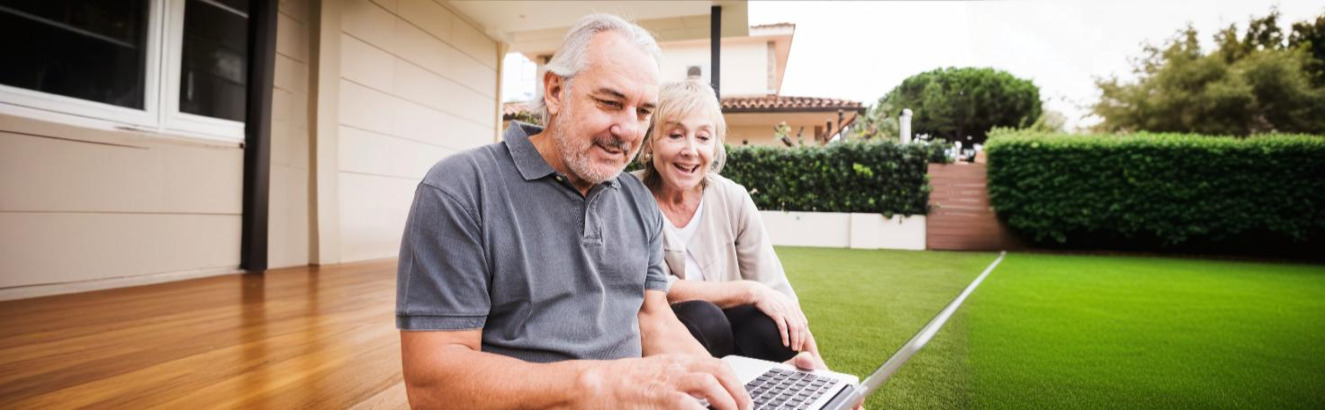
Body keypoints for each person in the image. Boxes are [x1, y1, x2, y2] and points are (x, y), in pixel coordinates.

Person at [395, 14, 755, 409]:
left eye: (643, 111)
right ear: (554, 91)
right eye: (610, 102)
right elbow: (432, 387)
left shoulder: (637, 202)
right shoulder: (460, 189)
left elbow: (654, 319)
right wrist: (601, 383)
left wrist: (735, 391)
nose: (629, 130)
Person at [634, 80, 827, 369]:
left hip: (729, 336)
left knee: (772, 326)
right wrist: (749, 291)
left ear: (715, 147)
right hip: (665, 337)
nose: (690, 150)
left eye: (703, 137)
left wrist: (827, 374)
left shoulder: (733, 197)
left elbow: (776, 291)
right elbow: (660, 288)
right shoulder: (628, 196)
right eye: (675, 135)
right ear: (650, 141)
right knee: (706, 318)